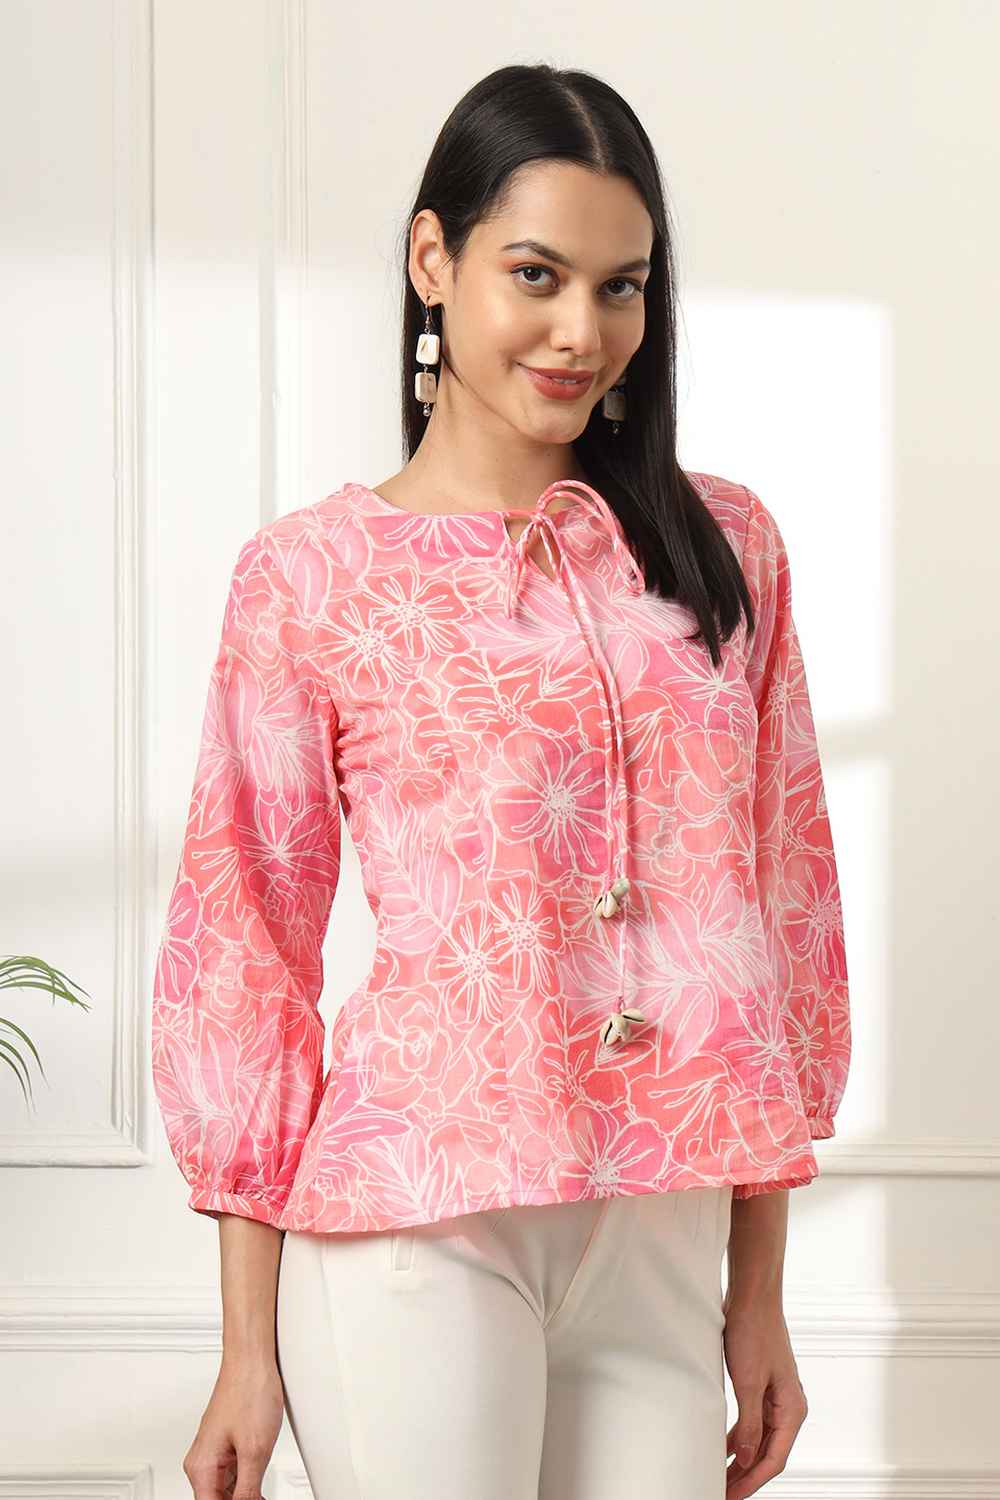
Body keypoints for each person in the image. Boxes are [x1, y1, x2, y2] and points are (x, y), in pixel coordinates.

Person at [151, 61, 851, 1500]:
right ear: (434, 259)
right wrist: (244, 1347)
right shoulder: (315, 578)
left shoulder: (728, 551)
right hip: (419, 1227)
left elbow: (781, 915)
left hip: (663, 1226)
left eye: (621, 286)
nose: (581, 331)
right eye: (536, 274)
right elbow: (245, 951)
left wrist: (759, 1288)